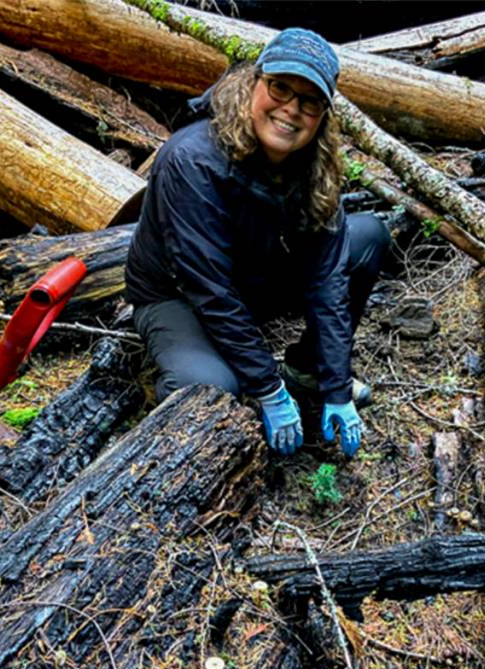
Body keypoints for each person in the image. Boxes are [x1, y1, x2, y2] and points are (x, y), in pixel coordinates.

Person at [125, 28, 390, 458]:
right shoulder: (192, 160)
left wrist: (336, 385)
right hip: (177, 296)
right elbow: (207, 287)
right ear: (254, 83)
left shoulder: (314, 165)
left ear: (322, 114)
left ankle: (305, 372)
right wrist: (268, 388)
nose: (291, 109)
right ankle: (171, 411)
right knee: (211, 387)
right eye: (280, 88)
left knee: (366, 237)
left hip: (250, 281)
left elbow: (328, 281)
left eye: (309, 101)